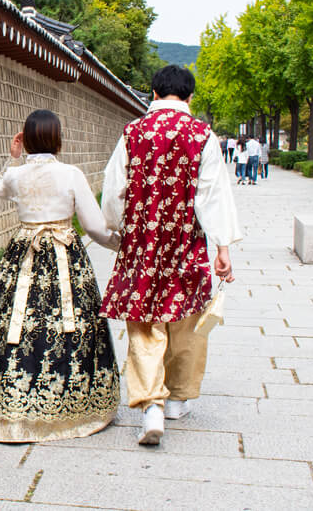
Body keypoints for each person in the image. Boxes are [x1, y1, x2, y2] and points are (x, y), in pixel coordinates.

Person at [101, 65, 241, 445]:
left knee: (145, 325)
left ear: (154, 92)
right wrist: (222, 245)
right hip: (185, 243)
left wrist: (117, 227)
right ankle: (178, 398)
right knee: (187, 319)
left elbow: (114, 187)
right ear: (190, 97)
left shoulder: (133, 132)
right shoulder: (202, 135)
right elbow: (212, 194)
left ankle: (151, 406)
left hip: (142, 245)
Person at [0, 109, 122, 443]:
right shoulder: (71, 174)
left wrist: (13, 158)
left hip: (24, 249)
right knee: (69, 321)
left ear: (28, 138)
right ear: (57, 138)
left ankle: (8, 392)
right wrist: (119, 245)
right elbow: (93, 225)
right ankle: (70, 397)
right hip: (65, 251)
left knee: (12, 320)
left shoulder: (16, 176)